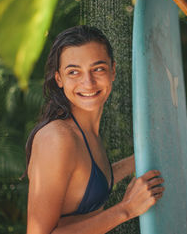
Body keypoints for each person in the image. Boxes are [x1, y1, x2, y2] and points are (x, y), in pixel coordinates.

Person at [24, 25, 164, 234]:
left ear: (113, 71)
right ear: (59, 79)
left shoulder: (85, 132)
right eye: (74, 72)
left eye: (98, 69)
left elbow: (87, 183)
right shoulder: (57, 139)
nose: (88, 82)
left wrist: (140, 158)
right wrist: (126, 209)